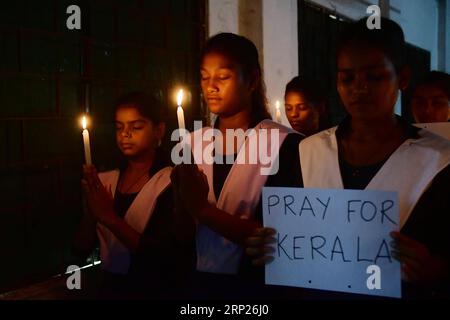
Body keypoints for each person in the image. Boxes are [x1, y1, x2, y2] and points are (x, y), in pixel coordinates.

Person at [247, 18, 450, 299]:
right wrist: (265, 243)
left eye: (374, 76)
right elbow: (279, 236)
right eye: (347, 78)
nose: (359, 88)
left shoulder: (439, 161)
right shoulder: (307, 153)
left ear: (402, 78)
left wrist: (436, 270)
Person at [170, 33, 303, 298]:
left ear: (252, 80)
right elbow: (181, 236)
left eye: (223, 77)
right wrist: (180, 199)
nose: (211, 87)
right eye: (205, 77)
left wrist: (203, 209)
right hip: (197, 287)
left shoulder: (285, 146)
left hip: (256, 288)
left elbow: (281, 238)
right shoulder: (191, 144)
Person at [73, 92, 196, 299]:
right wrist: (92, 214)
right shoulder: (106, 180)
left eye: (136, 127)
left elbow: (164, 256)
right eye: (119, 127)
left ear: (159, 130)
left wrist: (109, 217)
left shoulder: (170, 180)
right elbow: (79, 250)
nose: (125, 135)